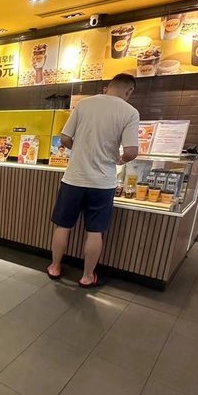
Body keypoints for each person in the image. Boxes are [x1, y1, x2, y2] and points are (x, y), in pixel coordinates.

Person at [47, 73, 139, 287]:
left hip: (73, 179)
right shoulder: (130, 112)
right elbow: (132, 152)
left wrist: (78, 150)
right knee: (95, 231)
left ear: (108, 87)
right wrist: (120, 159)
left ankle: (55, 267)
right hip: (102, 183)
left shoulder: (84, 104)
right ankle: (87, 276)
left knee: (63, 225)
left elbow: (65, 138)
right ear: (129, 91)